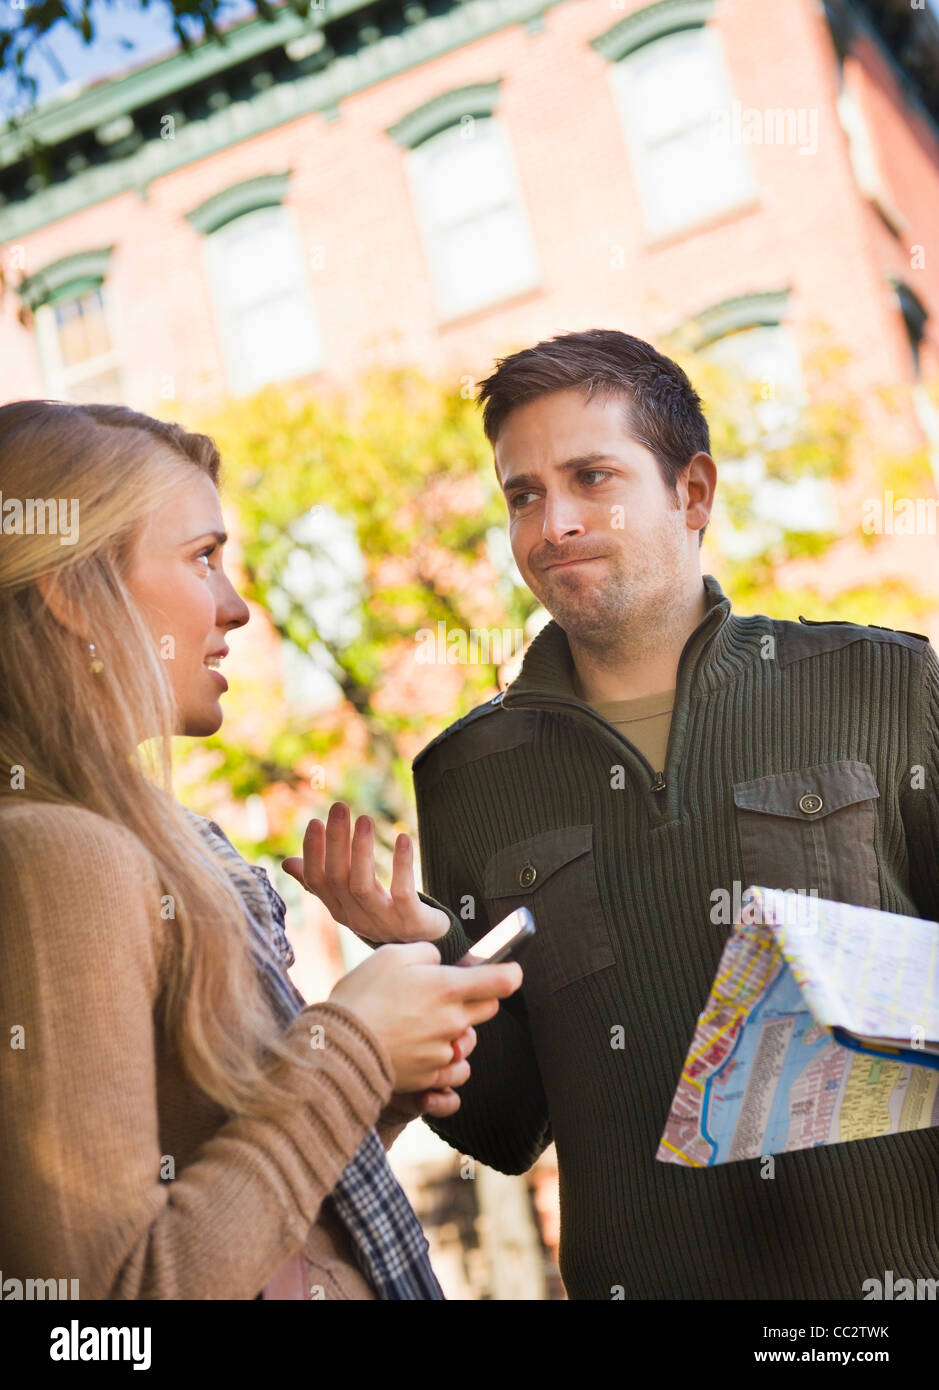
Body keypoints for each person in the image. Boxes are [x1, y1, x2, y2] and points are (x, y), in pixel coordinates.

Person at [286, 328, 939, 1300]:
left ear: (693, 492)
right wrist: (425, 953)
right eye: (524, 494)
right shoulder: (467, 776)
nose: (554, 524)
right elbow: (502, 1125)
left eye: (593, 476)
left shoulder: (885, 684)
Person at [0, 399, 521, 1301]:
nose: (237, 607)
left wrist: (372, 1093)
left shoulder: (154, 844)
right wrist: (350, 1048)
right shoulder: (56, 856)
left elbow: (238, 1222)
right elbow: (101, 1316)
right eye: (202, 557)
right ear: (74, 591)